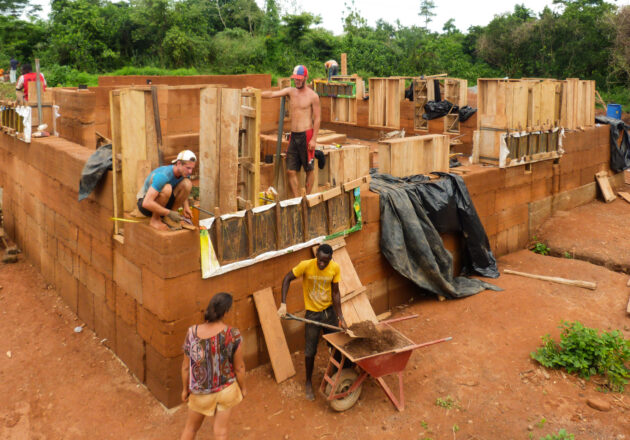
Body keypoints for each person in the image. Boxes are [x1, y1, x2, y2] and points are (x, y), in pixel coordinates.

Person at [277, 243, 347, 400]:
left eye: (326, 261)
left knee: (336, 345)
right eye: (320, 260)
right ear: (316, 256)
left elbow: (335, 293)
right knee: (310, 350)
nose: (322, 264)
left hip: (329, 312)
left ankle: (338, 375)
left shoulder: (334, 268)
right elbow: (287, 278)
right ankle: (308, 382)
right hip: (313, 314)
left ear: (330, 259)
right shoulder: (306, 265)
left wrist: (340, 317)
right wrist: (283, 303)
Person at [180, 292, 246, 440]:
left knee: (190, 429)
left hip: (200, 392)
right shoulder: (233, 334)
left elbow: (185, 367)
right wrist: (243, 388)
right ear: (226, 312)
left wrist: (185, 390)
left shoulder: (192, 333)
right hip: (226, 390)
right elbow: (239, 368)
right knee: (220, 432)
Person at [261, 65, 320, 198]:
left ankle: (307, 197)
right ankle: (297, 198)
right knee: (290, 171)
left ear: (305, 78)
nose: (297, 81)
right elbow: (271, 94)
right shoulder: (290, 91)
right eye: (295, 79)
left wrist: (314, 139)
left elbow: (317, 118)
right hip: (294, 136)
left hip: (307, 135)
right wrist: (256, 93)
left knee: (309, 169)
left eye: (299, 79)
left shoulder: (313, 96)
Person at [136, 149, 196, 231]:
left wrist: (186, 207)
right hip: (146, 204)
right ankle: (155, 220)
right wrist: (168, 213)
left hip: (164, 203)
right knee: (167, 188)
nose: (190, 171)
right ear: (178, 163)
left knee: (187, 183)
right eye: (188, 168)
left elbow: (184, 190)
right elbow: (146, 203)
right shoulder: (163, 175)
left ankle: (170, 218)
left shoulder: (184, 173)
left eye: (192, 168)